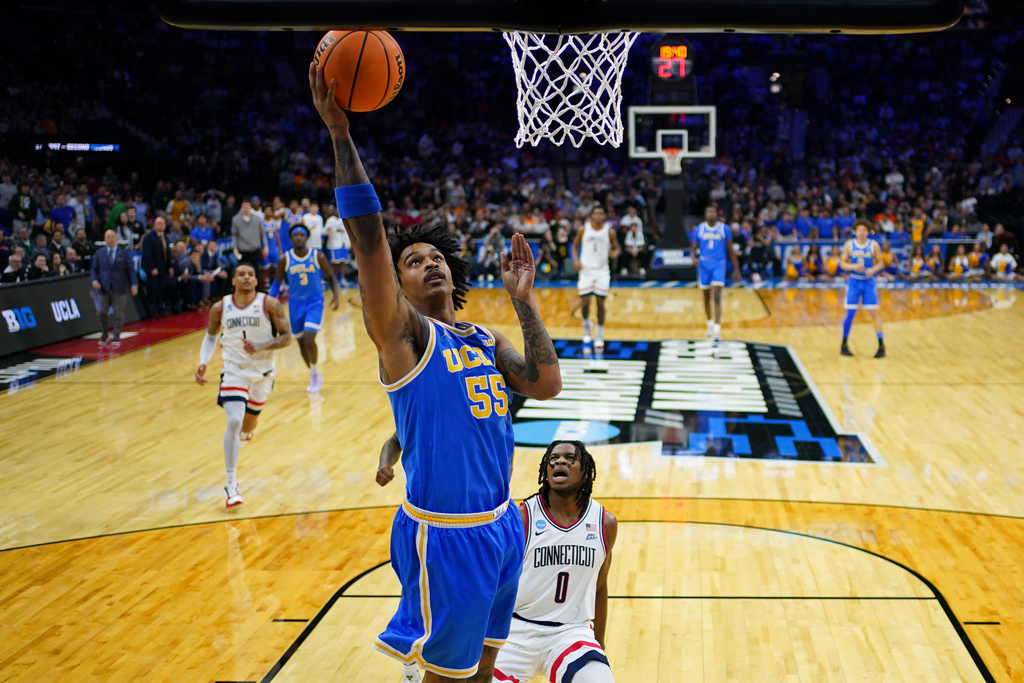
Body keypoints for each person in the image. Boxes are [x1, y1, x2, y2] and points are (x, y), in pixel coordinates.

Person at [310, 63, 562, 683]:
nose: (429, 265)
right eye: (413, 261)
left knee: (488, 663)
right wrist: (342, 135)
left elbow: (546, 383)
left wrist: (526, 302)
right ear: (396, 286)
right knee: (445, 676)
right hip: (445, 537)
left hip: (502, 523)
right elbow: (369, 240)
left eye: (435, 257)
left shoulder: (483, 337)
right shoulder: (404, 337)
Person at [376, 438, 617, 683]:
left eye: (570, 458)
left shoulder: (603, 522)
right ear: (546, 469)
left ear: (585, 470)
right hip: (515, 632)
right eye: (553, 459)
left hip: (572, 633)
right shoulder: (522, 517)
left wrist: (600, 642)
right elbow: (487, 581)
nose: (560, 462)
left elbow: (600, 587)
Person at [194, 263, 291, 507]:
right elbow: (210, 336)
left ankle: (247, 434)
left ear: (256, 281)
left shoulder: (270, 304)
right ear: (234, 281)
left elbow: (287, 337)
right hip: (234, 372)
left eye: (250, 274)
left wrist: (262, 346)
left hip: (263, 374)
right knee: (234, 422)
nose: (246, 277)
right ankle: (231, 484)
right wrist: (203, 362)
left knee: (247, 425)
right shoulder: (220, 307)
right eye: (241, 275)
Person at [269, 224, 340, 394]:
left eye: (302, 235)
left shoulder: (318, 256)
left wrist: (336, 297)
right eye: (296, 235)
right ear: (291, 238)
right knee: (301, 343)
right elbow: (277, 283)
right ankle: (314, 372)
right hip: (295, 304)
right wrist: (270, 302)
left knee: (309, 338)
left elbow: (331, 276)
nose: (299, 237)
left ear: (306, 237)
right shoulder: (284, 259)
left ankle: (314, 374)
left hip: (315, 302)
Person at [690, 205, 741, 342]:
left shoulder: (725, 229)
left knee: (717, 295)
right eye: (708, 211)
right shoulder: (699, 229)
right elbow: (693, 249)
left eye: (713, 211)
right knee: (706, 297)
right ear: (705, 214)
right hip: (704, 265)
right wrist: (693, 257)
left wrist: (737, 270)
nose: (710, 213)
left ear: (717, 214)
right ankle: (709, 323)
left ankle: (717, 328)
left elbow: (731, 251)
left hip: (719, 264)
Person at [572, 206, 620, 348]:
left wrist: (615, 253)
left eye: (601, 213)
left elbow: (617, 248)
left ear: (604, 215)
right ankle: (586, 326)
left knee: (600, 302)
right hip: (586, 270)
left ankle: (599, 333)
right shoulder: (583, 229)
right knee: (585, 302)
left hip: (602, 271)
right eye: (596, 213)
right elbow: (574, 246)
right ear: (591, 216)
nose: (598, 216)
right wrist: (575, 261)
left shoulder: (609, 231)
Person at [839, 219, 885, 358]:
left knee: (873, 312)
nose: (861, 232)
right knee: (850, 313)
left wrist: (873, 270)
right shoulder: (849, 245)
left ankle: (881, 345)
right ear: (855, 232)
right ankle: (844, 344)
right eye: (859, 230)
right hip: (854, 281)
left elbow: (881, 263)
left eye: (864, 230)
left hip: (868, 282)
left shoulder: (874, 245)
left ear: (867, 232)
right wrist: (853, 267)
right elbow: (842, 264)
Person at [91, 229, 140, 346]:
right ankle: (104, 333)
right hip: (104, 287)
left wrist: (134, 284)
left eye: (112, 237)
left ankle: (116, 336)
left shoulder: (124, 253)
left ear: (116, 239)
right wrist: (94, 280)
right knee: (101, 312)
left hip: (120, 287)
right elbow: (94, 269)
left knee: (119, 313)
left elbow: (131, 270)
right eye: (108, 237)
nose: (110, 239)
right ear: (104, 239)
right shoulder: (100, 253)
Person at [142, 216, 173, 317]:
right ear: (154, 225)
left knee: (161, 289)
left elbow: (168, 254)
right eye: (159, 224)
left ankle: (160, 308)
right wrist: (151, 268)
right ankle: (153, 310)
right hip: (153, 269)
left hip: (163, 268)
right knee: (153, 289)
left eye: (163, 224)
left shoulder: (165, 237)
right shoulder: (149, 238)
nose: (161, 226)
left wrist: (170, 267)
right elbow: (147, 255)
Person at [231, 199, 268, 278]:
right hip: (242, 249)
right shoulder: (236, 219)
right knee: (242, 271)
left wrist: (266, 246)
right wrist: (234, 248)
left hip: (255, 249)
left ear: (250, 207)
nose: (246, 208)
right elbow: (234, 235)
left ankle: (256, 288)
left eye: (248, 206)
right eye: (244, 206)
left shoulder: (257, 219)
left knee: (255, 271)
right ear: (241, 207)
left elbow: (262, 234)